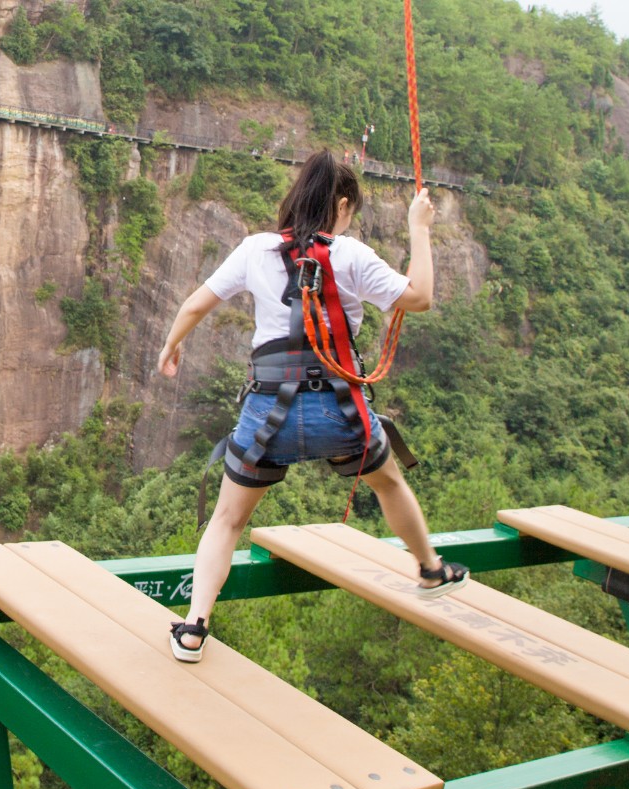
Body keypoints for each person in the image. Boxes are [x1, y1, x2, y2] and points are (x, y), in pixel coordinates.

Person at [157, 150, 468, 663]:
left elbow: (195, 304)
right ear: (342, 206)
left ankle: (194, 628)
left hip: (266, 419)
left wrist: (170, 348)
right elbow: (420, 297)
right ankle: (431, 570)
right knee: (389, 483)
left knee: (227, 520)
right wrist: (419, 228)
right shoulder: (351, 255)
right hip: (339, 413)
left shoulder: (255, 249)